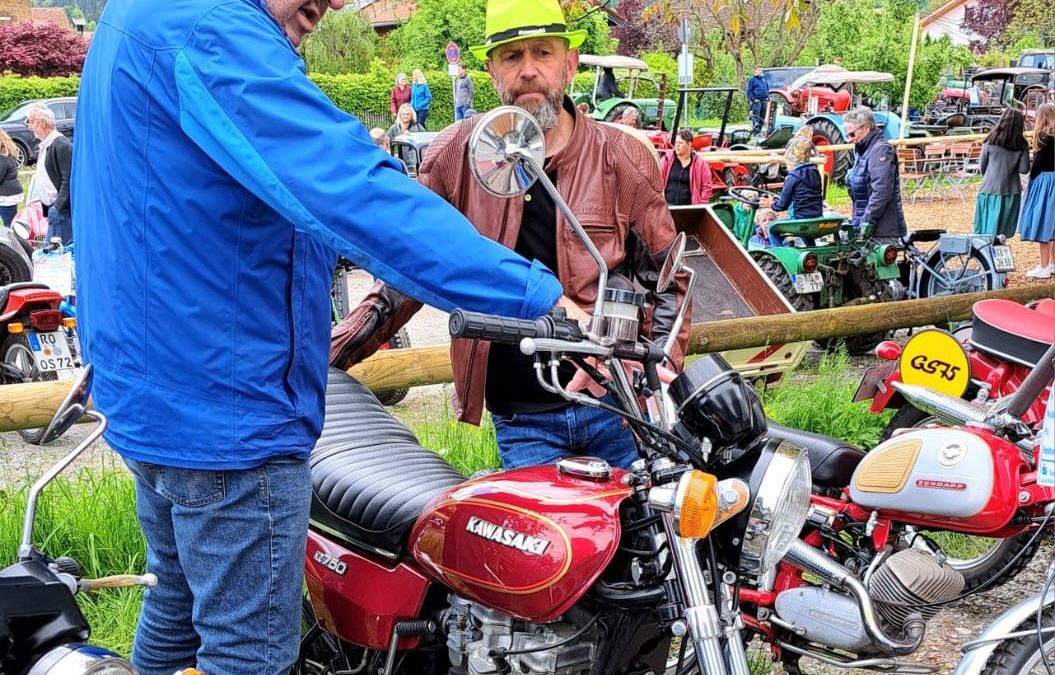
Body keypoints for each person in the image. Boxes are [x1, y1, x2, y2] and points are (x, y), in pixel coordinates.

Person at [70, 0, 577, 672]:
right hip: (227, 411)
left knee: (179, 609)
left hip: (156, 394)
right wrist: (539, 297)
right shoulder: (209, 27)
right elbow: (346, 188)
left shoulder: (143, 13)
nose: (336, 2)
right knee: (246, 650)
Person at [332, 0, 690, 471]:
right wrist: (329, 357)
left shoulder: (621, 157)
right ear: (490, 69)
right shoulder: (454, 156)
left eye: (542, 53)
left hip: (615, 415)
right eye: (511, 56)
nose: (528, 71)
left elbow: (669, 280)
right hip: (522, 421)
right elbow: (407, 269)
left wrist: (653, 375)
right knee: (539, 544)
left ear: (570, 62)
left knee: (641, 540)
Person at [843, 107, 907, 243]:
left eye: (852, 134)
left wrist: (866, 222)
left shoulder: (880, 150)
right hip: (867, 226)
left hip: (880, 231)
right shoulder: (863, 152)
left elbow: (881, 191)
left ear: (865, 128)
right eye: (847, 135)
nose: (849, 139)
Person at [972, 107, 1030, 238]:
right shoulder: (1021, 144)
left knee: (984, 231)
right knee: (1002, 234)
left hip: (989, 189)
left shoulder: (990, 141)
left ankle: (984, 256)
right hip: (1011, 191)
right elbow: (1024, 169)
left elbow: (982, 166)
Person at [760, 127, 824, 229]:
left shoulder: (792, 178)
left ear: (791, 161)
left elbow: (782, 205)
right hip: (816, 218)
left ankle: (774, 245)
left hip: (799, 220)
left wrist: (771, 204)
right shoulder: (815, 172)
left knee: (772, 229)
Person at [26, 104, 73, 244]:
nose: (29, 126)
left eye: (31, 121)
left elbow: (68, 179)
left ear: (41, 123)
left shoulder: (60, 144)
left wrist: (58, 207)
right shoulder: (48, 144)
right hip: (53, 208)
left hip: (62, 211)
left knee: (57, 252)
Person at [1020, 103, 1055, 279]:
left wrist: (1031, 180)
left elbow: (1038, 164)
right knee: (1053, 225)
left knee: (1044, 223)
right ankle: (1053, 263)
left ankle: (1044, 266)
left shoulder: (1044, 137)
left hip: (1045, 181)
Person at [660, 129, 712, 206]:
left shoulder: (700, 164)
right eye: (676, 142)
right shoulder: (667, 159)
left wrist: (701, 204)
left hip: (688, 208)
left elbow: (706, 186)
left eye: (680, 143)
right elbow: (657, 179)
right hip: (667, 207)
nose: (677, 145)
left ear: (689, 144)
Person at [0, 129, 22, 227]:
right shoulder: (8, 156)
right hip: (9, 195)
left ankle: (12, 242)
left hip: (6, 197)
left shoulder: (3, 159)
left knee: (9, 227)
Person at [746, 65, 770, 136]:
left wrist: (767, 96)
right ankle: (755, 132)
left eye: (761, 70)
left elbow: (767, 88)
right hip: (757, 101)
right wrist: (753, 99)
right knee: (756, 116)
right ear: (755, 70)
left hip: (764, 100)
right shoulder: (752, 79)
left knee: (762, 116)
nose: (760, 71)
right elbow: (749, 91)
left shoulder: (763, 79)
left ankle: (760, 132)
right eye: (759, 70)